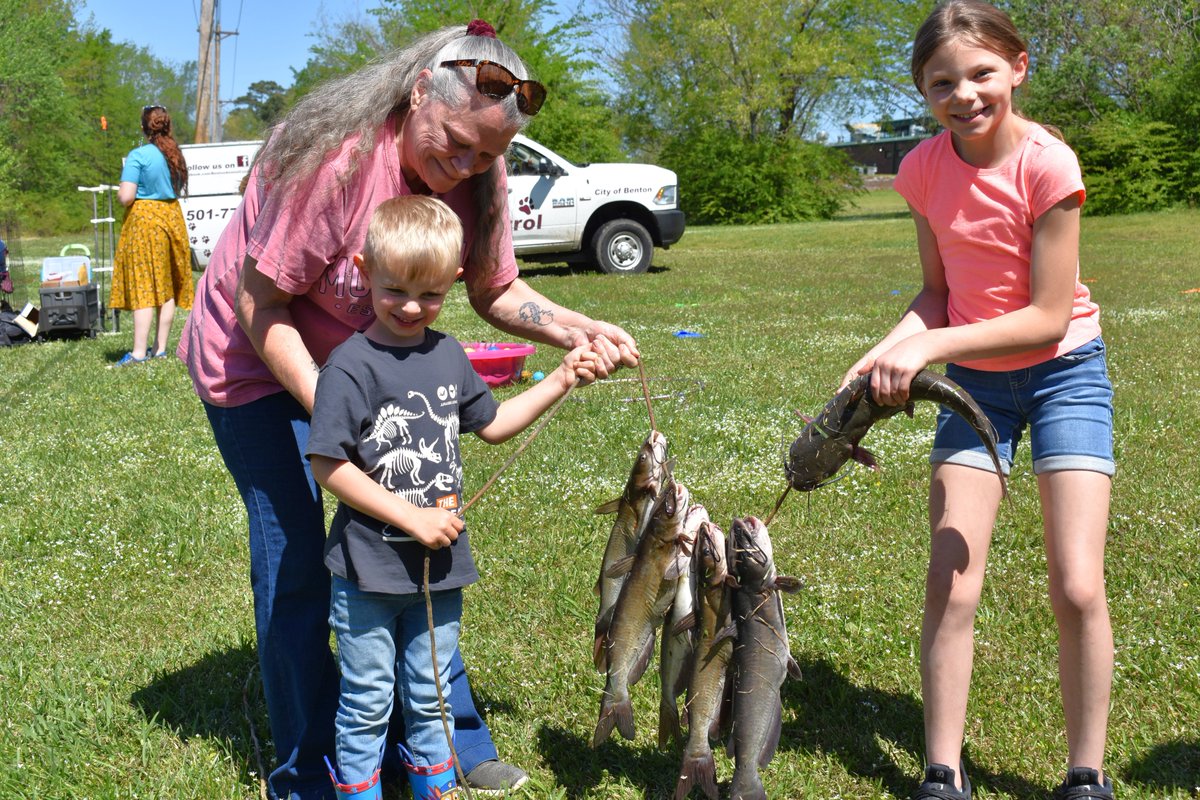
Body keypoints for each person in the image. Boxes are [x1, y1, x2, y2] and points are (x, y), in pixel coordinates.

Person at [179, 20, 638, 800]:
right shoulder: (335, 161)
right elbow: (264, 306)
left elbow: (494, 289)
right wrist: (339, 414)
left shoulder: (480, 167)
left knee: (415, 545)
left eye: (486, 156)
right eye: (454, 144)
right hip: (256, 364)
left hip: (366, 370)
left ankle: (448, 743)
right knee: (296, 563)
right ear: (419, 90)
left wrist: (576, 329)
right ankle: (309, 766)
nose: (465, 166)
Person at [840, 2, 1115, 798]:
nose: (964, 94)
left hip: (1066, 371)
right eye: (942, 82)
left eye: (981, 73)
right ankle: (941, 771)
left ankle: (1086, 774)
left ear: (1018, 68)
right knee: (952, 581)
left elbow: (1047, 315)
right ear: (923, 91)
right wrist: (878, 356)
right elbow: (935, 294)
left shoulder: (1047, 165)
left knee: (1077, 584)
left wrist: (925, 349)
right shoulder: (921, 170)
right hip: (976, 388)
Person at [308, 195, 605, 799]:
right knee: (367, 700)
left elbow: (491, 424)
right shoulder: (349, 367)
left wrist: (561, 377)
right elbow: (327, 464)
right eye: (395, 290)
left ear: (454, 284)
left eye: (432, 294)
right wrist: (411, 518)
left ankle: (433, 787)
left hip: (439, 571)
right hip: (368, 571)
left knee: (432, 692)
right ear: (364, 272)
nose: (413, 306)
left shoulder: (447, 355)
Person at [111, 104, 193, 366]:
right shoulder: (174, 155)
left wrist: (119, 190)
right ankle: (160, 349)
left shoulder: (139, 155)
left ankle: (137, 353)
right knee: (165, 286)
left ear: (143, 128)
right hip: (171, 217)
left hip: (145, 222)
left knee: (144, 285)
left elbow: (126, 197)